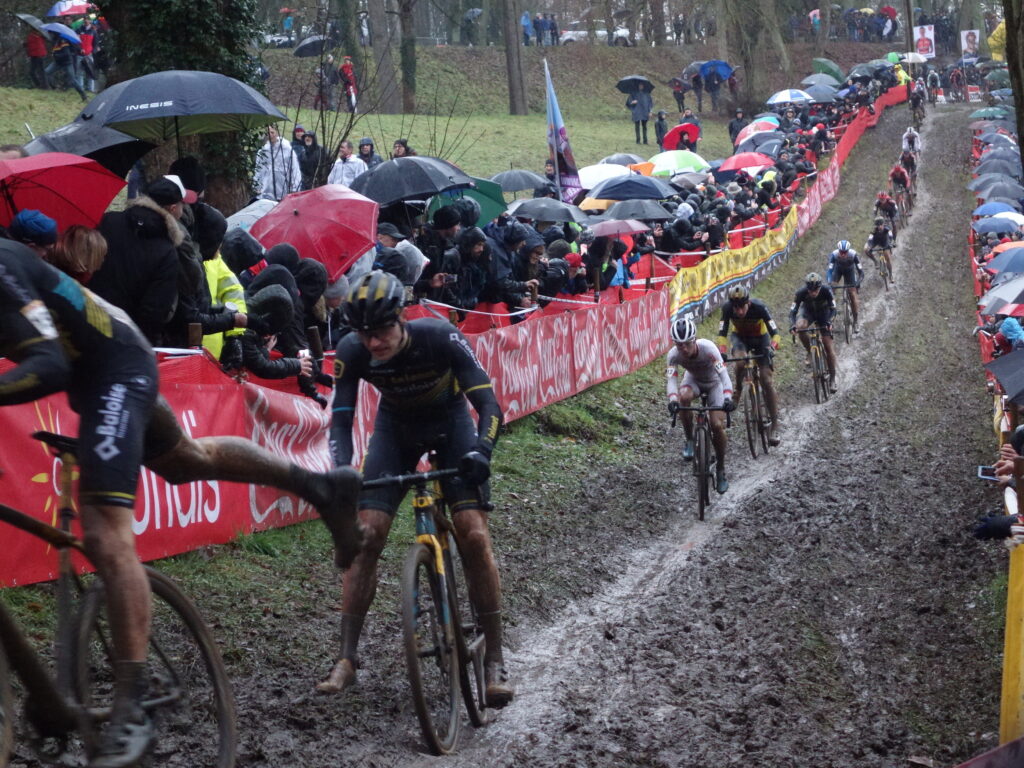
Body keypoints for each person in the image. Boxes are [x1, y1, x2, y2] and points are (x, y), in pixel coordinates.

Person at [0, 238, 361, 768]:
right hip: (96, 374)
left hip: (111, 369)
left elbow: (48, 362)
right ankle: (320, 486)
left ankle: (134, 698)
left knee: (103, 534)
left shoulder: (3, 263)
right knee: (183, 461)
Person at [321, 270, 514, 707]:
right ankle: (347, 659)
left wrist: (482, 452)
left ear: (401, 319)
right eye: (364, 334)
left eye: (382, 331)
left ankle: (495, 660)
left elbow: (488, 403)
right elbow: (341, 419)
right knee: (367, 536)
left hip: (452, 424)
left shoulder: (440, 337)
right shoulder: (353, 352)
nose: (373, 343)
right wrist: (340, 469)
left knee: (474, 533)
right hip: (396, 430)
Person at [666, 315, 734, 494]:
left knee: (716, 425)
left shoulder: (709, 349)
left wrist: (727, 398)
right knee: (683, 398)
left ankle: (720, 469)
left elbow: (724, 376)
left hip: (714, 384)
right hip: (693, 380)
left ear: (694, 339)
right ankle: (689, 439)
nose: (684, 348)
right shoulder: (673, 355)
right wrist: (673, 400)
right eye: (679, 345)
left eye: (687, 343)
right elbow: (672, 381)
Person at [716, 285, 782, 446]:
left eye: (742, 307)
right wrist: (722, 352)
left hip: (761, 340)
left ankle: (774, 425)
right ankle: (738, 390)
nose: (738, 311)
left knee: (766, 380)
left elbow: (776, 334)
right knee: (739, 361)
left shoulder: (759, 307)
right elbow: (722, 333)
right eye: (736, 308)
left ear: (748, 303)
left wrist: (772, 348)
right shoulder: (727, 308)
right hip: (740, 338)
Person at [788, 272, 838, 393]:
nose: (813, 293)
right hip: (808, 312)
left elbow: (833, 309)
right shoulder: (801, 292)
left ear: (820, 287)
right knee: (800, 326)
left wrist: (830, 322)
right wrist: (793, 325)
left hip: (824, 314)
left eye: (815, 290)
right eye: (810, 291)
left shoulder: (826, 290)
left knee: (828, 346)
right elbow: (792, 312)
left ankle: (832, 378)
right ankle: (809, 351)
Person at [253, 124, 301, 202]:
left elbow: (294, 168)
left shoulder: (287, 149)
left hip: (284, 187)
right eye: (268, 133)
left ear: (277, 133)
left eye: (272, 132)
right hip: (267, 189)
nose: (271, 135)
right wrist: (257, 186)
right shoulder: (263, 151)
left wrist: (295, 187)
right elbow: (259, 169)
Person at [825, 239, 864, 332]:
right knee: (830, 291)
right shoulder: (834, 255)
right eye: (841, 252)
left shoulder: (853, 255)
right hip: (838, 271)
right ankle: (829, 318)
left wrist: (858, 282)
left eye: (845, 252)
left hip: (850, 272)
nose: (843, 254)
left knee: (853, 296)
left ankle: (855, 321)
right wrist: (829, 281)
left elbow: (861, 272)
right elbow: (830, 270)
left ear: (848, 250)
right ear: (838, 250)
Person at [45, 35, 87, 101]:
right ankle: (54, 87)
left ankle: (83, 95)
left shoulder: (63, 41)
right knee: (47, 72)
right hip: (58, 62)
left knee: (73, 80)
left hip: (67, 62)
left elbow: (66, 53)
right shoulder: (55, 41)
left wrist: (56, 55)